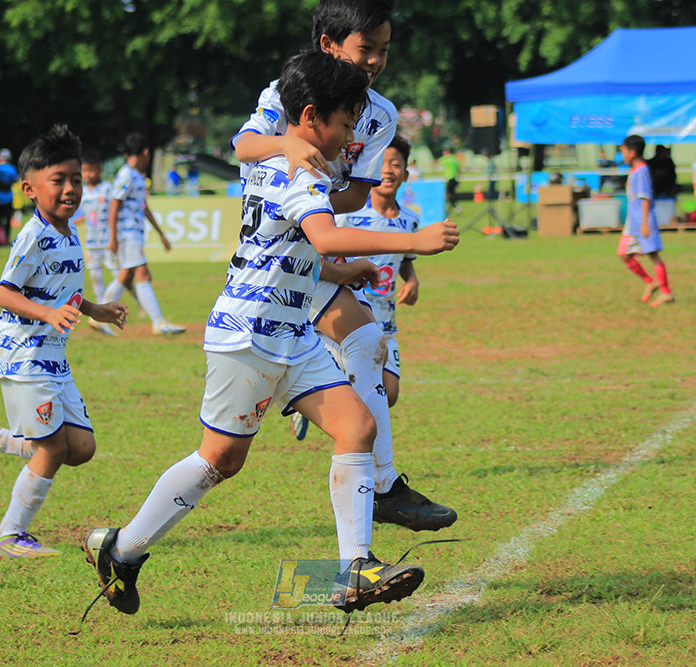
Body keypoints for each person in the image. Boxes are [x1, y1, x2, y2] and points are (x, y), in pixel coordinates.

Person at [82, 51, 459, 617]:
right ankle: (123, 549)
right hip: (249, 334)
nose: (354, 135)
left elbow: (299, 245)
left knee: (356, 426)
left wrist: (335, 270)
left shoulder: (291, 157)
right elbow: (326, 237)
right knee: (219, 461)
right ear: (311, 116)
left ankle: (354, 568)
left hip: (293, 332)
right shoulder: (296, 168)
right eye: (347, 122)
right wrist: (414, 241)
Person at [232, 0, 456, 533]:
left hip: (308, 248)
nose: (376, 60)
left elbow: (356, 193)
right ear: (330, 43)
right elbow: (244, 146)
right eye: (366, 48)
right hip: (276, 257)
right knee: (218, 458)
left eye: (383, 50)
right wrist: (290, 148)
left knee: (365, 342)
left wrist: (316, 191)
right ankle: (377, 481)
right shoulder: (287, 93)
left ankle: (381, 487)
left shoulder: (379, 113)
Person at [0, 124, 128, 558]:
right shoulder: (32, 235)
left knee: (80, 448)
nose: (70, 189)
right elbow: (5, 292)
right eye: (58, 180)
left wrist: (95, 309)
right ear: (30, 188)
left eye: (76, 180)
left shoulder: (68, 234)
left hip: (54, 360)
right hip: (23, 357)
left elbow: (61, 291)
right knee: (52, 448)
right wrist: (49, 313)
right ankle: (8, 536)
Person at [335, 134, 420, 408]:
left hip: (386, 320)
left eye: (395, 164)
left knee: (389, 394)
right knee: (364, 393)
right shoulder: (350, 215)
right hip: (351, 316)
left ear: (405, 174)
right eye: (381, 163)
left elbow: (405, 258)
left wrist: (413, 280)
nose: (387, 170)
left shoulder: (409, 219)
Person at [101, 133, 185, 335]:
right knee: (142, 274)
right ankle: (158, 322)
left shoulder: (137, 176)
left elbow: (144, 207)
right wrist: (113, 237)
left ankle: (100, 317)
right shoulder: (126, 175)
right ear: (145, 152)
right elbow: (114, 204)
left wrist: (161, 234)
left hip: (134, 234)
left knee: (126, 276)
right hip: (127, 234)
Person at [617, 135, 674, 307]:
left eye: (623, 152)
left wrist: (644, 223)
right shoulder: (636, 170)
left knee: (653, 255)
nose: (622, 156)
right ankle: (651, 282)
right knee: (623, 254)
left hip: (642, 221)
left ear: (632, 152)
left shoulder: (641, 170)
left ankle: (665, 292)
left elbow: (645, 197)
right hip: (633, 221)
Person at [72, 150, 117, 336]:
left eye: (92, 170)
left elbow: (115, 212)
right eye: (85, 171)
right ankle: (101, 319)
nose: (88, 174)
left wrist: (115, 237)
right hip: (91, 243)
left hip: (107, 242)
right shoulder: (83, 191)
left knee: (119, 276)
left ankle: (107, 308)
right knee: (96, 279)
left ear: (99, 170)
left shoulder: (108, 189)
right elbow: (82, 216)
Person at [438, 147, 461, 213]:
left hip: (449, 178)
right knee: (452, 194)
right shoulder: (455, 159)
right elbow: (459, 169)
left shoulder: (446, 159)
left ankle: (453, 207)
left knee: (448, 194)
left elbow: (437, 163)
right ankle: (455, 206)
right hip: (454, 178)